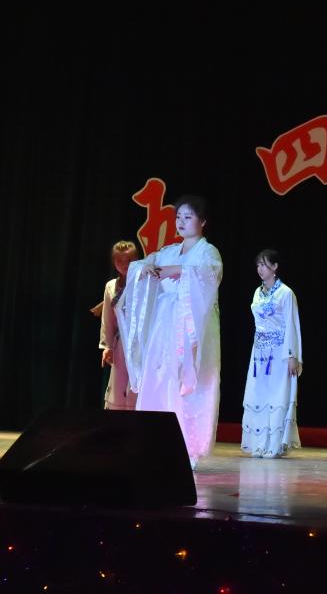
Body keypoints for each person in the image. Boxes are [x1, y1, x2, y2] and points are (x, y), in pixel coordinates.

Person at [116, 195, 222, 468]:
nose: (181, 222)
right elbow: (144, 264)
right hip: (164, 325)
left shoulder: (208, 252)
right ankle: (154, 441)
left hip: (190, 329)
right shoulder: (169, 251)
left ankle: (188, 447)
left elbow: (209, 275)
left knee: (186, 382)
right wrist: (146, 268)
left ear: (202, 221)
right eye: (178, 217)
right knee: (159, 377)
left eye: (188, 217)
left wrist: (180, 271)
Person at [241, 249, 303, 458]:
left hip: (279, 352)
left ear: (275, 267)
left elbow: (292, 325)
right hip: (259, 352)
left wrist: (292, 355)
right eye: (258, 265)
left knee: (277, 395)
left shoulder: (286, 293)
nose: (260, 269)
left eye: (264, 264)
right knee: (259, 394)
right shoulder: (257, 293)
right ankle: (258, 443)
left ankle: (275, 445)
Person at [99, 240, 139, 410]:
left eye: (129, 260)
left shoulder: (145, 282)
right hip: (121, 343)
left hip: (140, 343)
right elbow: (107, 319)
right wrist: (107, 346)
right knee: (119, 384)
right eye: (120, 261)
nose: (125, 265)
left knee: (137, 385)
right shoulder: (111, 286)